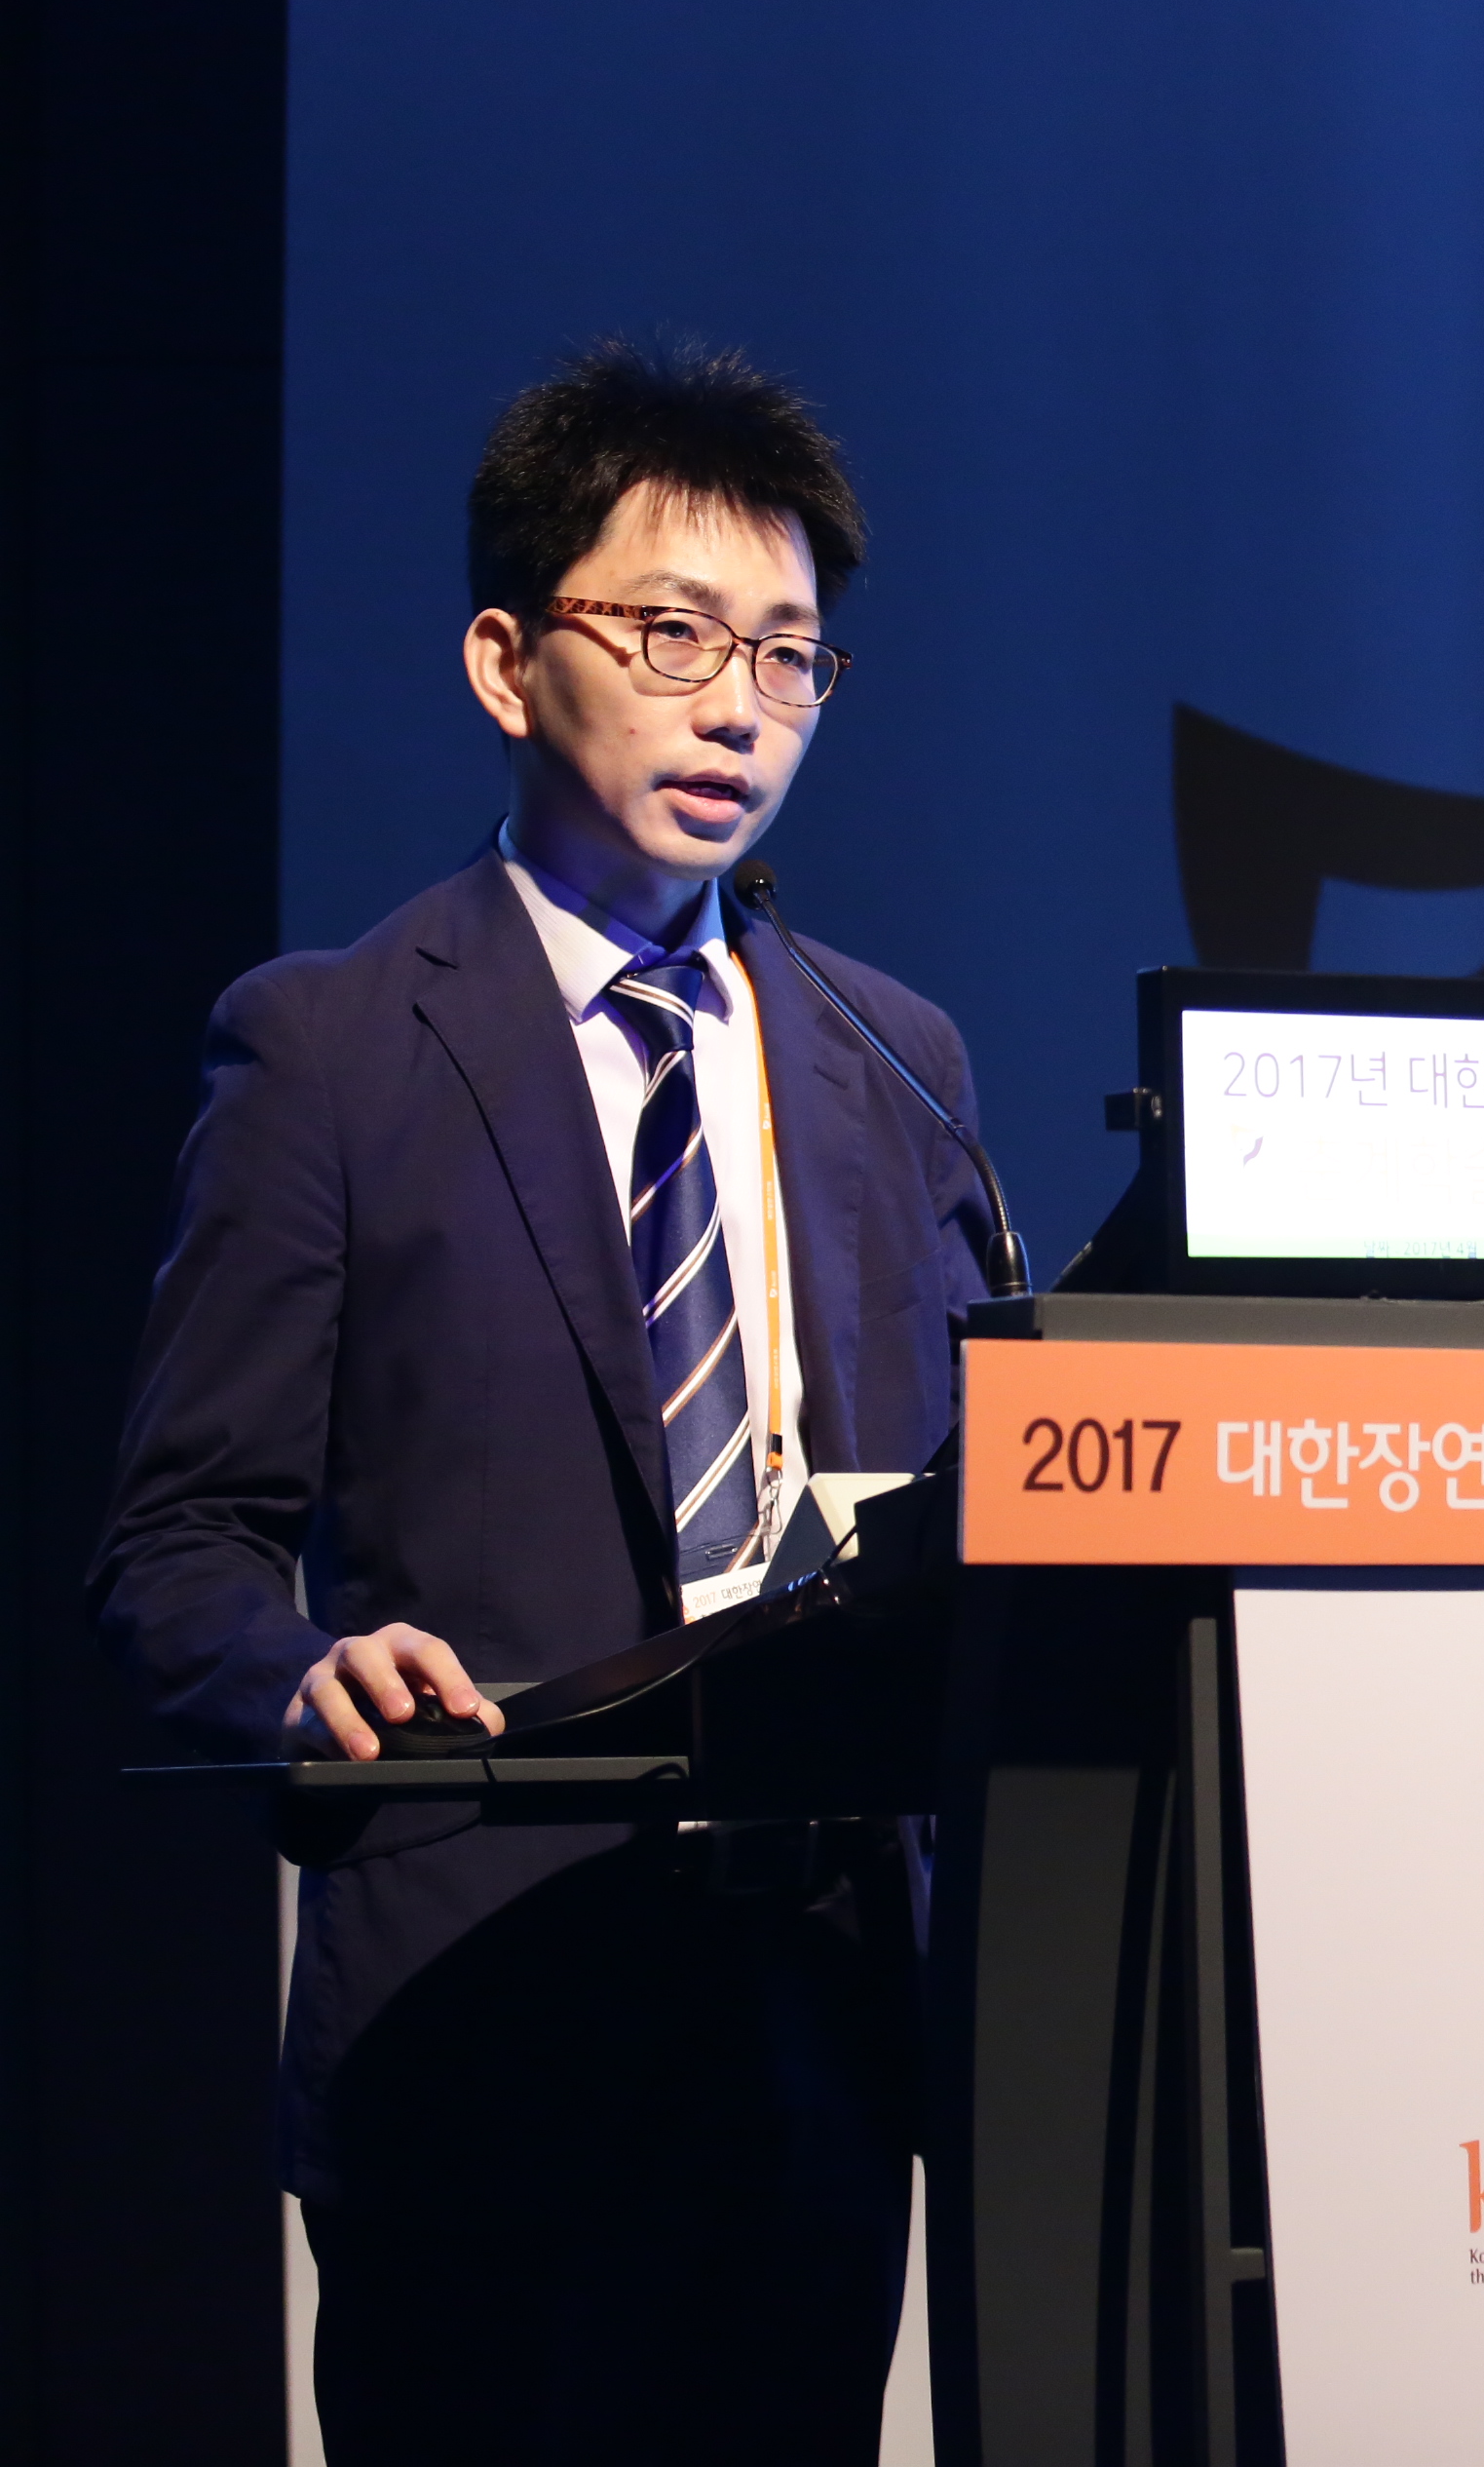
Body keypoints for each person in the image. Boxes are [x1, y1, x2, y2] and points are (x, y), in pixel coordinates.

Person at [90, 341, 990, 2464]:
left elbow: (961, 1514)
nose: (737, 704)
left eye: (787, 653)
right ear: (508, 663)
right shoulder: (328, 1049)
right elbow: (176, 1547)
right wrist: (300, 1667)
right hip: (481, 2015)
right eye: (673, 633)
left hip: (816, 2014)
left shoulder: (894, 1056)